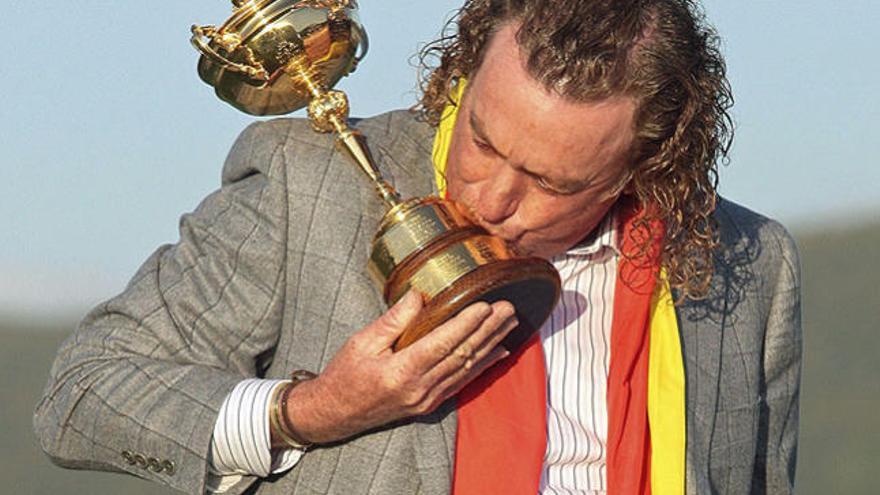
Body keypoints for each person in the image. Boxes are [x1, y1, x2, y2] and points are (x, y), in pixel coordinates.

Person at [34, 1, 802, 494]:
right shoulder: (309, 180)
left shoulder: (750, 264)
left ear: (648, 165)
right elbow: (80, 394)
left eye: (551, 182)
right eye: (482, 138)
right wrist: (310, 411)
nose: (491, 196)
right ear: (461, 75)